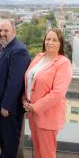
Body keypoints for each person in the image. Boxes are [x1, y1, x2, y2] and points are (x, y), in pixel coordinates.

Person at [0, 20, 30, 158]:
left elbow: (14, 83)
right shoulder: (0, 46)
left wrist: (6, 106)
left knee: (10, 146)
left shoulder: (18, 50)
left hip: (7, 110)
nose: (2, 34)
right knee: (4, 142)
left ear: (13, 32)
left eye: (5, 31)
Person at [23, 28, 72, 158]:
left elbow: (58, 93)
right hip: (32, 112)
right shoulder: (39, 56)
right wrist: (24, 99)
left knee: (47, 153)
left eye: (54, 40)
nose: (50, 42)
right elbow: (28, 79)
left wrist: (36, 106)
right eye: (48, 39)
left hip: (48, 115)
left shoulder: (64, 63)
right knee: (38, 150)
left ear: (60, 43)